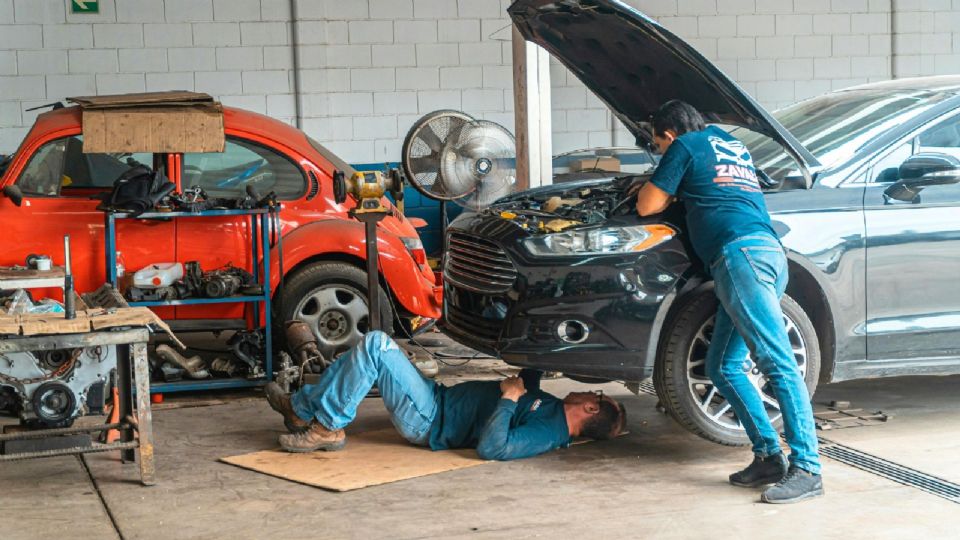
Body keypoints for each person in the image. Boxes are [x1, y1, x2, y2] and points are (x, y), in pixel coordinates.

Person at [634, 100, 823, 504]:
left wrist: (661, 181)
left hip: (742, 260)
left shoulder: (683, 146)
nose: (661, 152)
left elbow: (647, 205)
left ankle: (808, 469)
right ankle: (770, 457)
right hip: (768, 252)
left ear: (668, 134)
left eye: (658, 146)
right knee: (723, 366)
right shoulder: (730, 144)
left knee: (777, 364)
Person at [263, 331, 627, 460]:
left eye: (593, 392)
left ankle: (328, 427)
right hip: (437, 399)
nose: (585, 389)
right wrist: (538, 354)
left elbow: (494, 448)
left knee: (376, 346)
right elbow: (528, 384)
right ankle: (300, 410)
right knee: (358, 358)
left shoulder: (548, 434)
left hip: (428, 421)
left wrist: (509, 399)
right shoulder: (549, 408)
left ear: (590, 407)